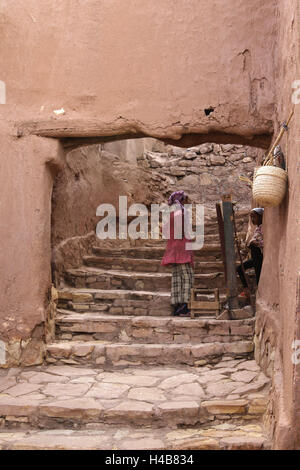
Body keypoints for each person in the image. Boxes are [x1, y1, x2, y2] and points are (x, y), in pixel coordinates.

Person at [161, 190, 194, 316]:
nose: (187, 203)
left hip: (173, 248)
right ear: (182, 200)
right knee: (187, 277)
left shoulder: (170, 213)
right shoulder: (182, 212)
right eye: (186, 200)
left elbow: (164, 230)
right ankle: (185, 306)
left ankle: (177, 306)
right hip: (182, 247)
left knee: (176, 277)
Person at [237, 207, 264, 298]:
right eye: (251, 217)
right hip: (254, 257)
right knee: (240, 268)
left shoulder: (264, 228)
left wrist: (257, 243)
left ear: (261, 217)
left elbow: (267, 242)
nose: (252, 219)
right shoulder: (257, 229)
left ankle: (260, 295)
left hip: (259, 256)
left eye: (254, 217)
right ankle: (246, 289)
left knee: (259, 276)